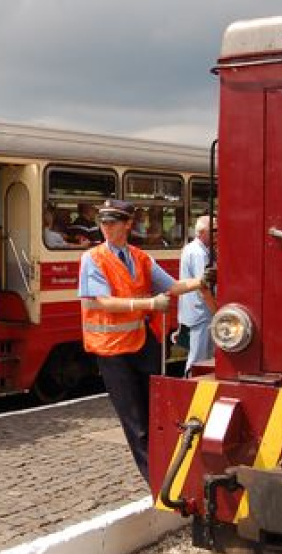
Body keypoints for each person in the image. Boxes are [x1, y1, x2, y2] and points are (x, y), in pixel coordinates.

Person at [78, 198, 214, 483]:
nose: (106, 227)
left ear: (128, 224)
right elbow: (100, 301)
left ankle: (170, 470)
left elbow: (173, 286)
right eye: (103, 222)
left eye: (112, 222)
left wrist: (201, 281)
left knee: (157, 413)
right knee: (136, 423)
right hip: (112, 350)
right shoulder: (93, 258)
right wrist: (149, 304)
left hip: (140, 343)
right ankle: (157, 481)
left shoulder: (140, 258)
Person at [178, 215, 218, 377]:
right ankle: (189, 385)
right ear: (201, 232)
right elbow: (203, 287)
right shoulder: (199, 254)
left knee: (200, 356)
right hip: (202, 313)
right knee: (199, 359)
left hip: (196, 312)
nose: (217, 233)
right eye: (214, 230)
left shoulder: (192, 249)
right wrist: (216, 311)